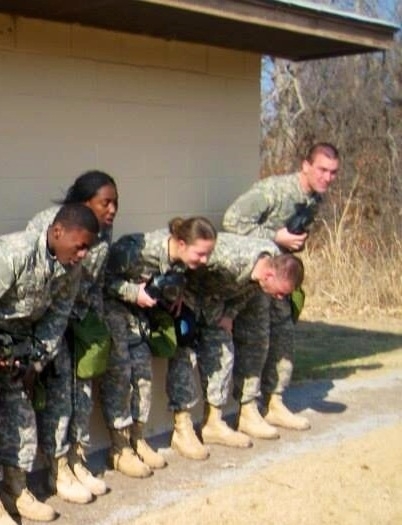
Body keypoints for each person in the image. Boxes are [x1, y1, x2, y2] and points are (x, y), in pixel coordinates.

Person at [222, 142, 339, 434]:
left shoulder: (313, 199)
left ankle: (275, 402)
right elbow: (232, 222)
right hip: (257, 276)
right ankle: (248, 409)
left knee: (284, 339)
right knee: (257, 341)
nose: (327, 177)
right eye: (322, 170)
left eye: (333, 172)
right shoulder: (273, 191)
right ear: (306, 166)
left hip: (279, 281)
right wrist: (276, 236)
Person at [0, 203, 99, 524]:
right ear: (57, 232)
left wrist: (36, 361)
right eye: (80, 245)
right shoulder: (15, 253)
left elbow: (57, 316)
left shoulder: (71, 267)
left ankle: (16, 490)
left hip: (20, 348)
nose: (84, 254)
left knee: (23, 419)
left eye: (89, 248)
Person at [26, 171, 118, 503]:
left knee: (81, 391)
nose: (112, 210)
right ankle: (56, 467)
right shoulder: (49, 224)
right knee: (58, 395)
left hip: (77, 317)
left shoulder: (103, 233)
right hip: (47, 319)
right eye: (105, 202)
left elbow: (93, 281)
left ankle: (76, 459)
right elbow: (36, 278)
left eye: (115, 203)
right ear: (83, 201)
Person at [167, 233, 304, 456]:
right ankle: (182, 428)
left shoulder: (263, 274)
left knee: (223, 352)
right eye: (281, 292)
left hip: (212, 306)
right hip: (187, 299)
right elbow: (186, 258)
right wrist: (176, 290)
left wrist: (229, 314)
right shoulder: (229, 258)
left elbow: (247, 292)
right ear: (270, 274)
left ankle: (213, 422)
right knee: (184, 355)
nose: (279, 298)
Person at [100, 217, 217, 477]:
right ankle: (120, 448)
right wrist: (134, 293)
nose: (204, 261)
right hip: (113, 313)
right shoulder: (135, 251)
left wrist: (175, 297)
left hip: (140, 319)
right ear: (182, 243)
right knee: (120, 376)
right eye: (200, 254)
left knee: (143, 376)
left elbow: (174, 278)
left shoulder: (182, 259)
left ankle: (137, 438)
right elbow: (100, 279)